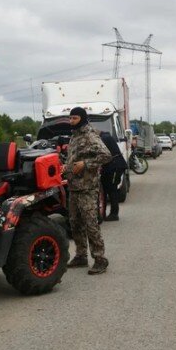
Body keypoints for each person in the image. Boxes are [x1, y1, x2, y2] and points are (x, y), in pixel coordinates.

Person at [63, 107, 112, 275]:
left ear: (82, 118)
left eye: (74, 118)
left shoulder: (90, 135)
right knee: (75, 223)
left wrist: (85, 164)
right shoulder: (74, 136)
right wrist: (67, 166)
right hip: (74, 187)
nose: (71, 121)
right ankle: (81, 255)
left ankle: (100, 259)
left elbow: (106, 155)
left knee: (91, 223)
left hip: (87, 188)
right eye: (70, 118)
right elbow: (73, 158)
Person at [99, 131, 127, 221]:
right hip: (111, 167)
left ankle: (114, 214)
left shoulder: (104, 138)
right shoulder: (105, 136)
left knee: (112, 189)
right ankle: (104, 213)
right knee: (107, 188)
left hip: (115, 166)